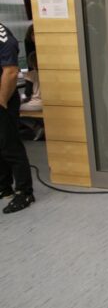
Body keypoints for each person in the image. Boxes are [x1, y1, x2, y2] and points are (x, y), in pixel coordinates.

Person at [0, 22, 35, 213]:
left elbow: (11, 71)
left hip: (3, 98)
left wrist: (2, 101)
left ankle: (24, 192)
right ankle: (4, 187)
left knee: (10, 145)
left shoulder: (2, 34)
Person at [20, 52, 45, 141]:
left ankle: (36, 127)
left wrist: (21, 99)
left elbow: (27, 93)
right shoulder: (49, 73)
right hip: (48, 103)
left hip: (37, 104)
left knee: (14, 109)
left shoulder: (30, 74)